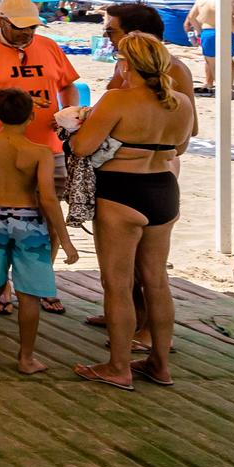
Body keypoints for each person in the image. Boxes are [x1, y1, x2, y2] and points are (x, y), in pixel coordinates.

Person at [70, 33, 195, 390]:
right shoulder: (182, 102)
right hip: (163, 191)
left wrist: (79, 124)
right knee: (157, 281)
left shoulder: (116, 100)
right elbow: (181, 148)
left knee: (118, 285)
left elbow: (82, 147)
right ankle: (159, 363)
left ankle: (118, 367)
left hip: (121, 193)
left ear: (127, 63)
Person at [0, 0, 77, 316]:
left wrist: (71, 111)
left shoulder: (49, 46)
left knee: (48, 216)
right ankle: (2, 286)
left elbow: (68, 85)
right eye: (20, 28)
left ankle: (41, 282)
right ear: (0, 22)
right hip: (1, 150)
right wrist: (12, 101)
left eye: (32, 27)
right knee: (5, 220)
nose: (28, 34)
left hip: (49, 148)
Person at [0, 89, 77, 372]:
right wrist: (65, 241)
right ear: (31, 116)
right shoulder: (40, 153)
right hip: (28, 220)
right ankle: (26, 358)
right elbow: (49, 198)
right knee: (29, 293)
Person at [186, 0, 234, 92]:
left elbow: (191, 17)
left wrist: (200, 31)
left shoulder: (203, 0)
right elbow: (231, 20)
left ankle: (221, 87)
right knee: (225, 62)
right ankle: (224, 88)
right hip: (224, 32)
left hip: (208, 32)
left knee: (212, 62)